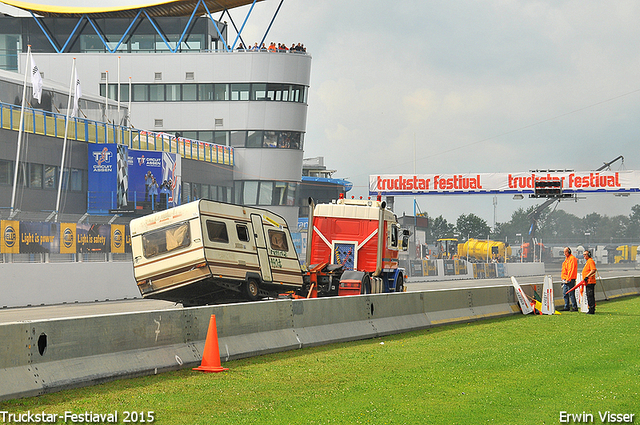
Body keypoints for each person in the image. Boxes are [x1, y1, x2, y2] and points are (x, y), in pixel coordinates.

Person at [561, 247, 579, 311]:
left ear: (569, 251)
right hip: (565, 279)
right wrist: (563, 279)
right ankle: (567, 306)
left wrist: (568, 279)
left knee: (571, 293)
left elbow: (571, 270)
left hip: (570, 279)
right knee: (565, 293)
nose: (564, 253)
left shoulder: (572, 259)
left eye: (565, 252)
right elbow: (564, 270)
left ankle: (574, 307)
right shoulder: (566, 259)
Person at [581, 250, 597, 314]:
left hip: (590, 281)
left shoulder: (590, 261)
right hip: (588, 282)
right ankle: (590, 308)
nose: (584, 256)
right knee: (589, 295)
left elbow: (593, 270)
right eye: (583, 254)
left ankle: (591, 309)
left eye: (585, 254)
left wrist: (587, 276)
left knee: (590, 296)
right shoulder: (588, 262)